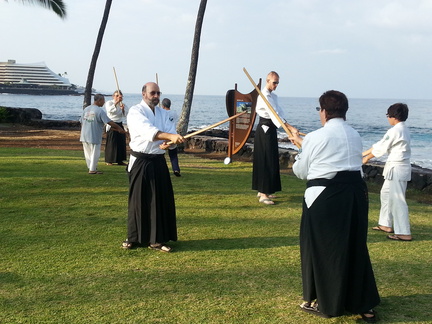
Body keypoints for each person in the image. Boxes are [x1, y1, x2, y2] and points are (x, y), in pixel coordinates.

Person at [289, 90, 380, 322]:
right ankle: (363, 304)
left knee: (325, 250)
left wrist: (300, 149)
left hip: (324, 198)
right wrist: (304, 143)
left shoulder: (316, 137)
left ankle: (328, 303)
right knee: (354, 247)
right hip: (355, 196)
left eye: (320, 110)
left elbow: (301, 172)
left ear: (324, 111)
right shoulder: (355, 135)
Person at [122, 82, 184, 252]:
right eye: (152, 93)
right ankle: (133, 237)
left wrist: (170, 142)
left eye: (158, 93)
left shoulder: (163, 114)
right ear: (144, 94)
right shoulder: (136, 111)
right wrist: (169, 136)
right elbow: (148, 131)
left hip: (158, 160)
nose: (156, 96)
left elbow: (169, 132)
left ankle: (156, 240)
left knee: (158, 200)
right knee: (137, 200)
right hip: (140, 160)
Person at [362, 103, 412, 241]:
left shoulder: (396, 131)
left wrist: (366, 158)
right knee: (385, 194)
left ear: (393, 116)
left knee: (398, 200)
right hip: (394, 168)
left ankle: (404, 232)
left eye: (387, 115)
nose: (387, 118)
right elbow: (380, 145)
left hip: (398, 167)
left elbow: (381, 147)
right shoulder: (402, 129)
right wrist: (363, 154)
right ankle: (385, 224)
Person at [252, 71, 298, 205]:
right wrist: (290, 128)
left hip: (271, 129)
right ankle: (263, 193)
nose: (276, 85)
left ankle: (263, 190)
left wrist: (289, 128)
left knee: (270, 159)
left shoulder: (273, 96)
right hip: (265, 129)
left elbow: (279, 113)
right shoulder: (264, 95)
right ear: (267, 81)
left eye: (278, 82)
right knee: (265, 159)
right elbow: (274, 114)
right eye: (274, 82)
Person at [80, 94, 126, 174]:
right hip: (94, 134)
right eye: (103, 100)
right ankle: (92, 169)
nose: (104, 102)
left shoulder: (86, 109)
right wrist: (119, 128)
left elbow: (81, 121)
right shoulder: (99, 111)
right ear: (99, 101)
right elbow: (109, 122)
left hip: (84, 134)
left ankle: (91, 167)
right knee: (95, 153)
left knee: (88, 153)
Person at [104, 90, 128, 166]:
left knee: (121, 142)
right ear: (113, 96)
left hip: (120, 123)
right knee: (112, 142)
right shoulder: (109, 103)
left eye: (120, 96)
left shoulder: (123, 104)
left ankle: (120, 160)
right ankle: (109, 160)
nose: (118, 97)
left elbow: (126, 114)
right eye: (116, 96)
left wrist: (123, 109)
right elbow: (110, 110)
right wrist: (116, 102)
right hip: (112, 123)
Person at [161, 98, 181, 177]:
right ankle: (176, 169)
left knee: (160, 154)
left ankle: (163, 171)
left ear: (163, 105)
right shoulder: (174, 113)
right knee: (173, 155)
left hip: (164, 135)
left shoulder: (162, 113)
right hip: (173, 135)